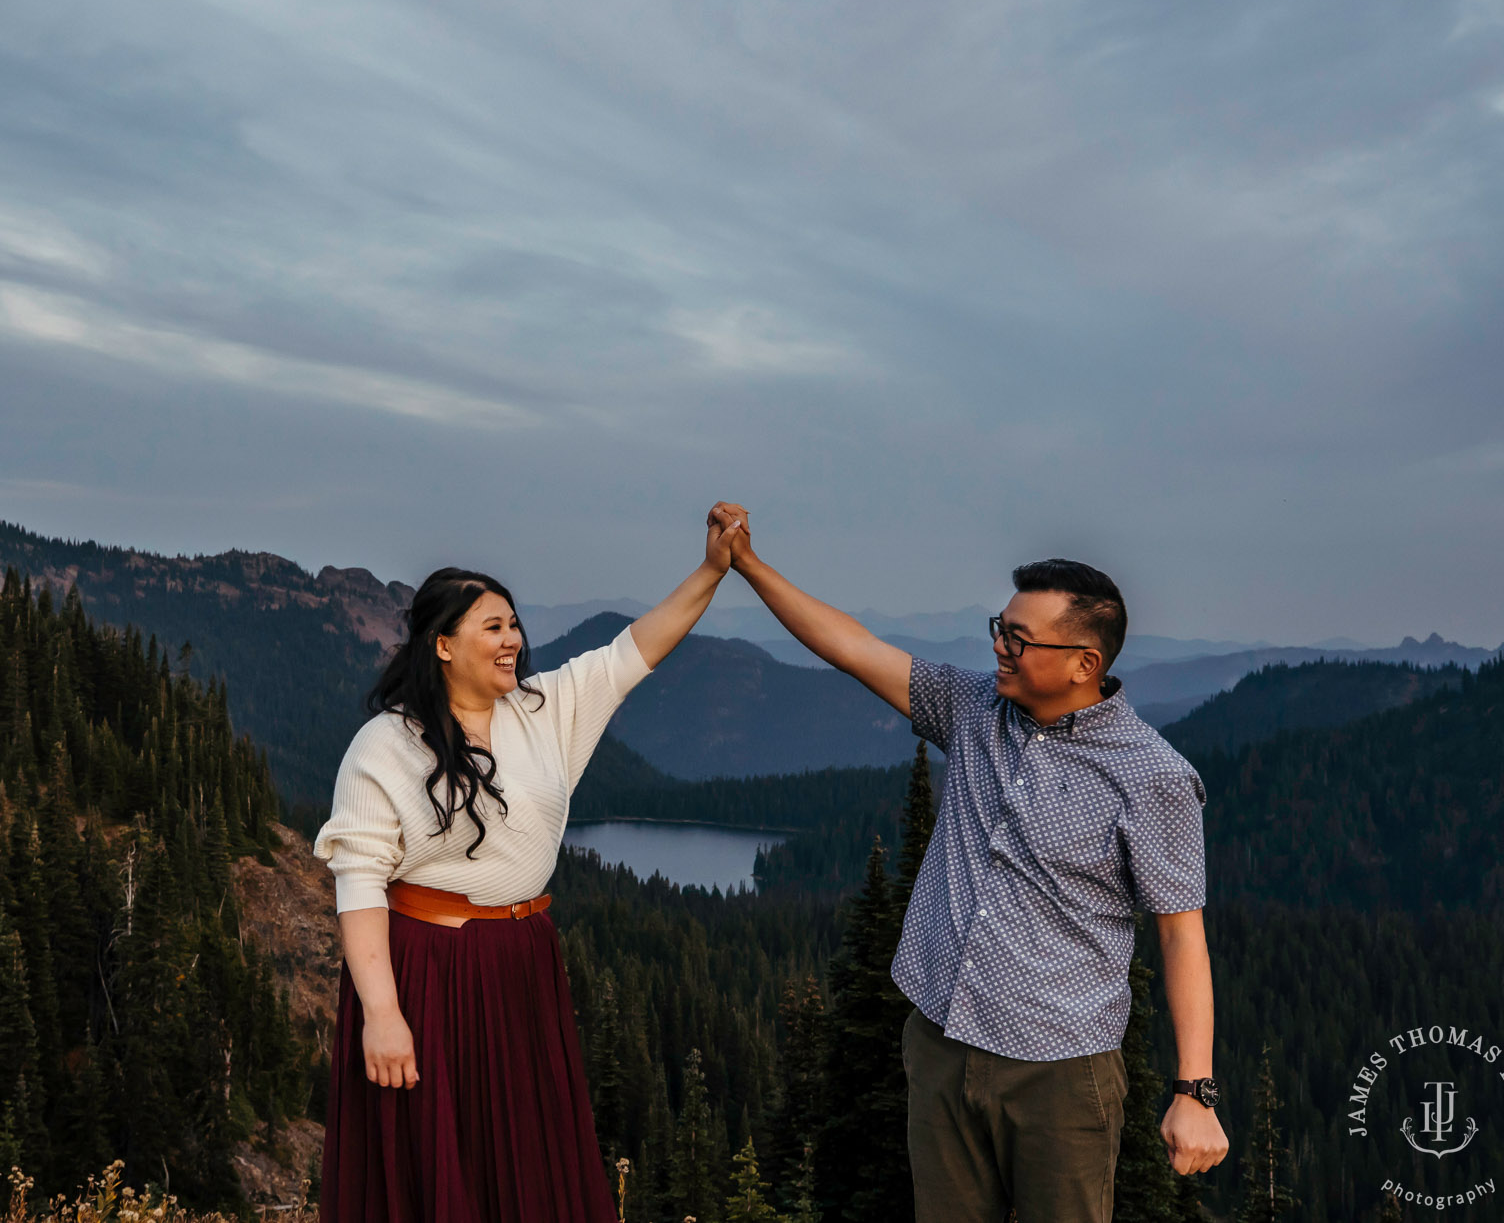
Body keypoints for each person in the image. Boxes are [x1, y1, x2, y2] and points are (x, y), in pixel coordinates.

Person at [710, 503, 1228, 1223]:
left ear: (1086, 663)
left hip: (1061, 1071)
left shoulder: (1152, 776)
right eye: (1000, 630)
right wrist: (749, 565)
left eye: (1020, 639)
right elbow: (852, 646)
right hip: (941, 1044)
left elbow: (1182, 934)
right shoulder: (972, 708)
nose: (1000, 649)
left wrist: (1194, 1091)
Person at [312, 508, 744, 1223]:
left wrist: (710, 570)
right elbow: (359, 883)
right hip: (427, 972)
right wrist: (382, 1015)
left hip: (522, 963)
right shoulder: (383, 746)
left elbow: (635, 650)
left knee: (525, 1161)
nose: (513, 640)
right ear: (442, 644)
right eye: (493, 627)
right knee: (436, 1164)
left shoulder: (543, 710)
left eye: (514, 624)